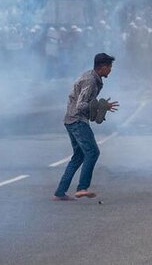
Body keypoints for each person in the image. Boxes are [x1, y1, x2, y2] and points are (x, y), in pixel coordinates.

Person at [53, 53, 119, 200]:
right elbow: (81, 105)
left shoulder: (93, 78)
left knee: (79, 156)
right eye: (109, 67)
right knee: (92, 152)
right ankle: (82, 188)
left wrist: (100, 109)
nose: (110, 70)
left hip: (71, 120)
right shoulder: (90, 81)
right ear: (102, 67)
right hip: (77, 120)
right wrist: (102, 106)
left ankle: (60, 192)